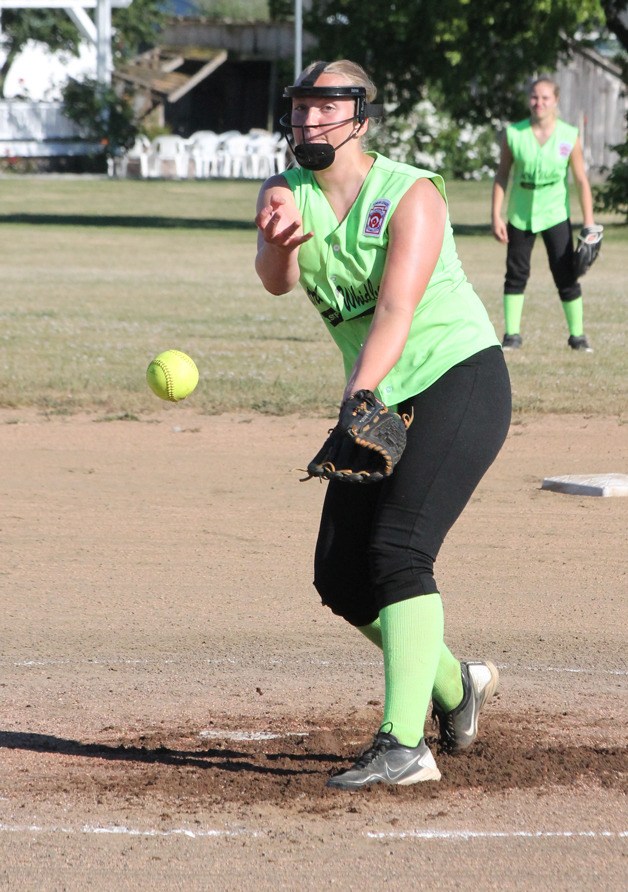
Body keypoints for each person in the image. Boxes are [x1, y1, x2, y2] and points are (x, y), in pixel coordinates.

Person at [254, 60, 512, 790]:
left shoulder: (410, 195)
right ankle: (457, 686)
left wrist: (359, 395)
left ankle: (403, 747)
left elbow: (396, 310)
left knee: (399, 550)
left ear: (360, 119)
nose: (308, 119)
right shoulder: (284, 190)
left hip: (457, 378)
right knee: (341, 576)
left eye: (326, 107)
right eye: (301, 107)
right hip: (381, 393)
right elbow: (275, 281)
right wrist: (280, 244)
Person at [491, 76, 597, 352]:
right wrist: (496, 214)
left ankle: (578, 336)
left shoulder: (568, 135)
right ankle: (511, 335)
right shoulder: (515, 134)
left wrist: (589, 223)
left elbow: (581, 180)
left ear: (556, 100)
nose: (539, 103)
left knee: (566, 274)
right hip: (521, 213)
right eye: (534, 97)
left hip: (554, 212)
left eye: (545, 98)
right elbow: (502, 175)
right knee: (516, 273)